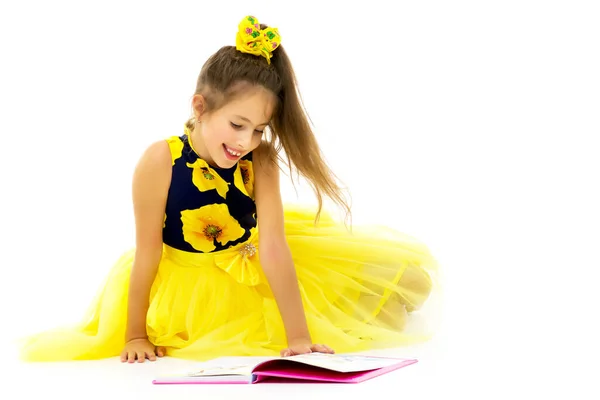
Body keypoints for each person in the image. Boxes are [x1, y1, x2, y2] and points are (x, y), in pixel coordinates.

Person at [19, 15, 438, 363]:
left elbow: (273, 246)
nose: (246, 142)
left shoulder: (262, 159)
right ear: (200, 107)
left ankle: (349, 311)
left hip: (254, 263)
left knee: (410, 283)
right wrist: (134, 336)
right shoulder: (160, 160)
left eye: (258, 130)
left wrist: (299, 336)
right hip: (190, 283)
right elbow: (147, 252)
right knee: (373, 312)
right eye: (238, 125)